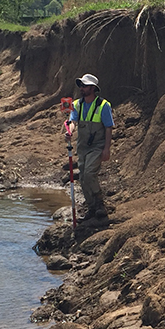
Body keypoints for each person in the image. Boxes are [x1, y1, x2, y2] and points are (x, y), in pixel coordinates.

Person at [66, 73, 114, 221]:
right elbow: (72, 121)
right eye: (80, 85)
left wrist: (106, 149)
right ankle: (92, 208)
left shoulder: (104, 105)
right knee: (83, 178)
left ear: (93, 88)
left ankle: (100, 205)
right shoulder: (76, 104)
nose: (81, 88)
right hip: (82, 147)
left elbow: (108, 128)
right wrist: (70, 131)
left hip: (98, 146)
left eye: (84, 85)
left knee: (89, 174)